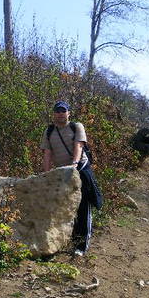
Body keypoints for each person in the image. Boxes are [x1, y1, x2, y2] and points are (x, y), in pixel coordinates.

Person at [40, 100, 92, 257]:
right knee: (64, 207)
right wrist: (46, 175)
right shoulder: (49, 131)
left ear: (68, 113)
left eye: (63, 111)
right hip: (61, 173)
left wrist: (74, 165)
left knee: (83, 207)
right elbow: (47, 155)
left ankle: (81, 246)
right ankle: (66, 240)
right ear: (54, 114)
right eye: (58, 111)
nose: (60, 114)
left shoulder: (76, 127)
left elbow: (79, 146)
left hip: (80, 170)